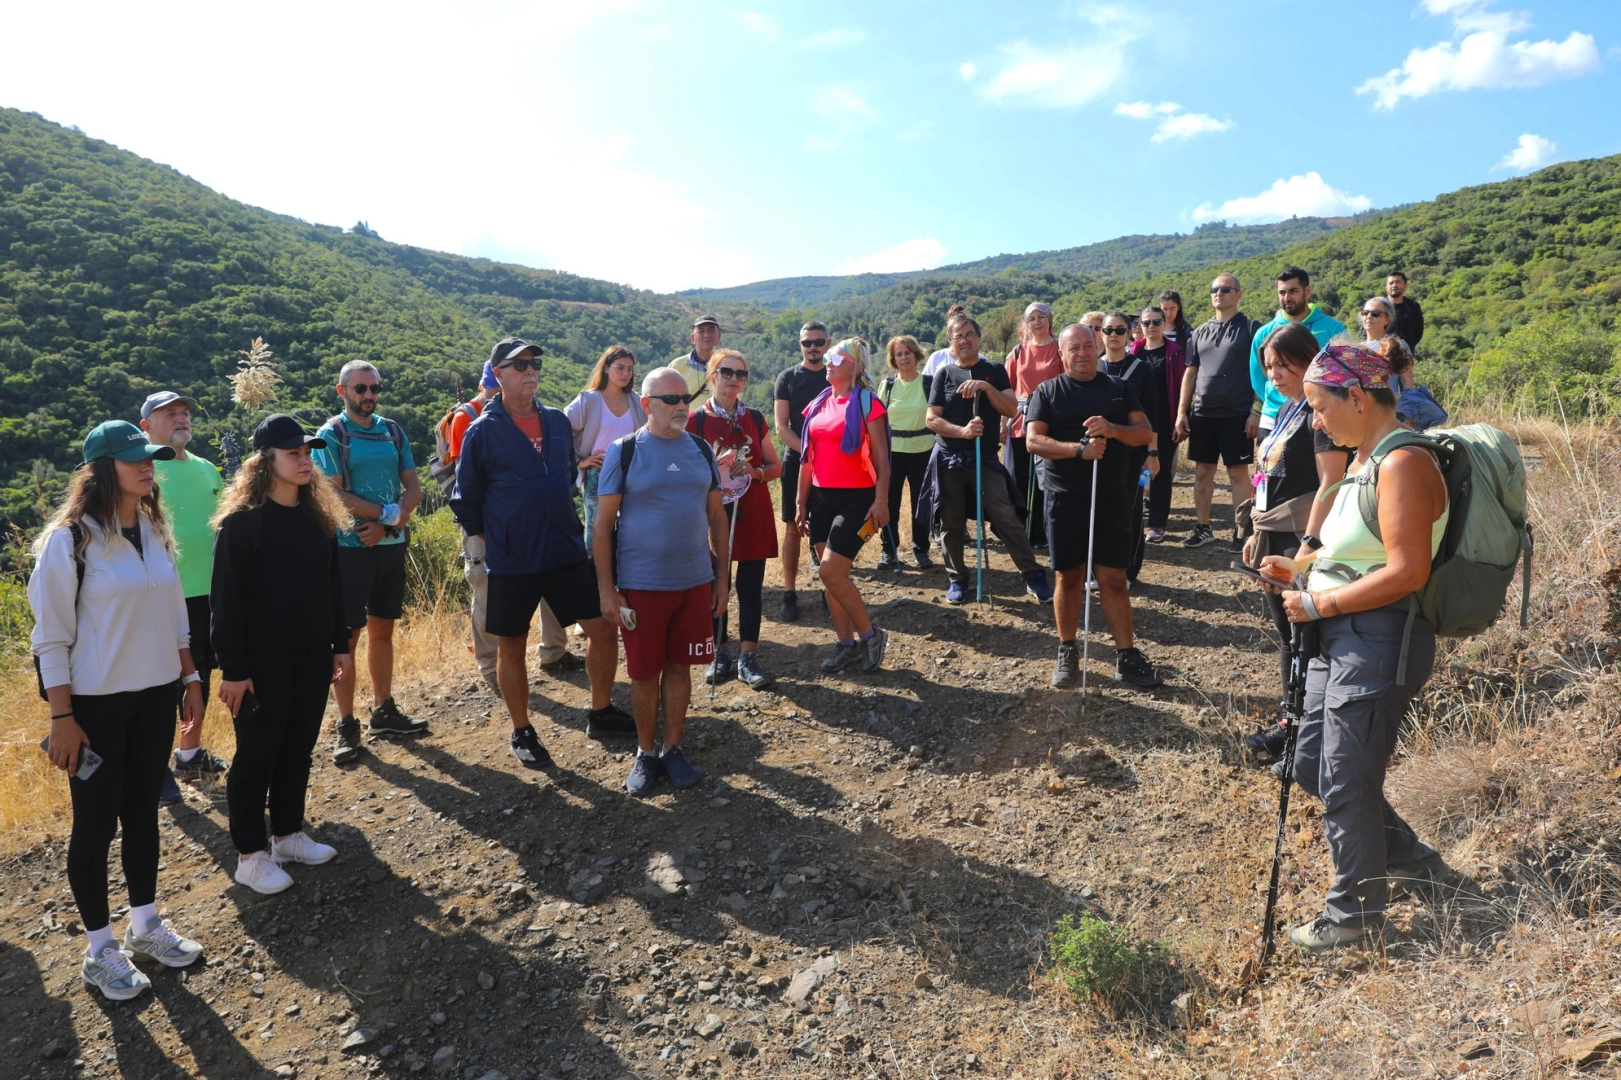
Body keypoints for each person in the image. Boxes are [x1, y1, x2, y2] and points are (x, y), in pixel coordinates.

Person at [1259, 344, 1449, 951]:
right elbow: (1347, 555)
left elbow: (1407, 570)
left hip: (1379, 640)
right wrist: (1298, 569)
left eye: (1318, 406)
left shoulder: (1403, 464)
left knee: (1345, 777)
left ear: (1358, 398)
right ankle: (1409, 858)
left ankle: (1354, 917)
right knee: (1314, 764)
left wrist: (1321, 603)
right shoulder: (1364, 461)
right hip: (1338, 637)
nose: (1313, 419)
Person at [30, 420, 205, 1001]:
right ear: (101, 469)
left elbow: (176, 612)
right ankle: (100, 950)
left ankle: (145, 925)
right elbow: (51, 638)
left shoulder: (154, 529)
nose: (147, 465)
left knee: (143, 814)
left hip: (156, 696)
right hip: (96, 708)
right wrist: (62, 719)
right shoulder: (69, 541)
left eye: (150, 457)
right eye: (134, 458)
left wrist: (190, 677)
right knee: (96, 823)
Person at [453, 338, 634, 766]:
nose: (530, 370)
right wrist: (502, 535)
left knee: (603, 629)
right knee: (512, 645)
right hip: (513, 560)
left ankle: (601, 710)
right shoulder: (482, 431)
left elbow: (567, 472)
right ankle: (522, 730)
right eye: (518, 365)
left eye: (534, 363)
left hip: (564, 550)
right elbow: (466, 499)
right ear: (498, 375)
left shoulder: (555, 422)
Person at [211, 415, 352, 895]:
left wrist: (340, 646)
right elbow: (225, 603)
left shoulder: (318, 518)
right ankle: (250, 857)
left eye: (307, 451)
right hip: (260, 664)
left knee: (298, 748)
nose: (304, 459)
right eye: (293, 453)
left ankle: (289, 835)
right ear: (264, 462)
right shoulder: (241, 525)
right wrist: (233, 671)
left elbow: (333, 588)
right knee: (256, 756)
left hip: (312, 656)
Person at [596, 368, 730, 794]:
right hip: (642, 585)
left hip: (693, 581)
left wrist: (722, 579)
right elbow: (602, 527)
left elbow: (717, 517)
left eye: (684, 398)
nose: (680, 407)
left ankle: (672, 748)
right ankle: (645, 752)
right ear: (647, 404)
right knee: (642, 673)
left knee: (679, 667)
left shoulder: (701, 450)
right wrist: (607, 589)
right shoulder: (626, 451)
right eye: (670, 399)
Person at [1026, 326, 1162, 688]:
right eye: (1075, 348)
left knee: (1114, 579)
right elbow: (1033, 440)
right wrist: (1078, 450)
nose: (1083, 353)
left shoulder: (1118, 388)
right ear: (1062, 352)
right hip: (1065, 497)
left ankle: (1127, 656)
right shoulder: (1048, 391)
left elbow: (1144, 431)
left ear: (1098, 346)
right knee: (1068, 577)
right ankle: (1067, 650)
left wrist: (1113, 430)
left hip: (1112, 495)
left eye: (1089, 346)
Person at [1239, 324, 1349, 762]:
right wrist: (1253, 532)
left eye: (1284, 364)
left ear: (1308, 360)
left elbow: (1331, 482)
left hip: (1300, 537)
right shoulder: (1287, 409)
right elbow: (1266, 477)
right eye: (1269, 367)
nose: (1275, 374)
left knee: (1304, 638)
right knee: (1288, 637)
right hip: (1274, 531)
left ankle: (1303, 733)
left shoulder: (1319, 415)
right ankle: (1292, 722)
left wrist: (1308, 545)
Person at [313, 360, 427, 764]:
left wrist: (393, 521)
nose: (369, 396)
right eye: (360, 389)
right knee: (345, 639)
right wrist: (385, 518)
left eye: (375, 388)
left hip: (389, 545)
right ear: (342, 391)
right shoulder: (332, 435)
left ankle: (384, 709)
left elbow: (412, 484)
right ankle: (346, 724)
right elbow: (334, 495)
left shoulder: (392, 430)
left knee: (383, 630)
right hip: (349, 550)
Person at [139, 391, 229, 806]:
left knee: (202, 677)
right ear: (147, 427)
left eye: (184, 412)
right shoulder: (142, 472)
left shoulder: (207, 468)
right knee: (164, 684)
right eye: (169, 413)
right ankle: (154, 774)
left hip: (214, 592)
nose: (181, 419)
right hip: (165, 598)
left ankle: (188, 754)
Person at [927, 314, 1053, 605]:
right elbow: (931, 419)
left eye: (970, 334)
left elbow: (1010, 409)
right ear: (951, 341)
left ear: (979, 338)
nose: (964, 340)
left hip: (984, 458)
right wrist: (962, 431)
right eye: (958, 336)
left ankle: (1033, 576)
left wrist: (986, 388)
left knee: (1005, 515)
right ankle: (957, 579)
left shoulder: (993, 370)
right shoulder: (944, 374)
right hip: (948, 459)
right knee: (951, 521)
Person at [794, 340, 891, 674]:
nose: (829, 362)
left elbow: (881, 457)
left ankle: (870, 635)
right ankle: (846, 644)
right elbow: (808, 459)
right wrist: (800, 501)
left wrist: (881, 500)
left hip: (857, 499)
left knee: (830, 571)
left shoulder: (868, 403)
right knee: (833, 579)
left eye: (838, 358)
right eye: (829, 357)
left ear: (855, 367)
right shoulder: (817, 405)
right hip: (821, 498)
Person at [688, 349, 781, 690]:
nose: (733, 379)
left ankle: (748, 656)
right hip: (712, 513)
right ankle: (720, 651)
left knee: (751, 586)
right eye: (726, 372)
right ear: (712, 375)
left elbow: (775, 466)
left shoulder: (754, 418)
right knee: (716, 583)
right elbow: (684, 471)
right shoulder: (695, 420)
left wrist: (755, 471)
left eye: (740, 374)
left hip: (751, 509)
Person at [1174, 273, 1260, 552]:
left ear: (1239, 294)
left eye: (1225, 289)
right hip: (1203, 414)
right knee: (1202, 472)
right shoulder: (1198, 333)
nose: (1219, 293)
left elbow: (1263, 371)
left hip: (1238, 413)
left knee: (1237, 474)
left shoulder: (1252, 329)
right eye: (1215, 289)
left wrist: (1256, 410)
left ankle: (1242, 532)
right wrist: (1181, 412)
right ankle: (1203, 527)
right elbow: (1190, 372)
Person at [1098, 313, 1164, 584]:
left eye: (1120, 330)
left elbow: (1153, 415)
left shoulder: (1142, 368)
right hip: (1099, 454)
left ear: (1129, 334)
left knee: (1132, 512)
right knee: (1100, 512)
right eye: (1108, 329)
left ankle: (1128, 571)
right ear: (1100, 334)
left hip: (1135, 454)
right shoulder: (1093, 367)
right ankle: (1099, 569)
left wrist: (1153, 454)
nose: (1113, 334)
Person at [773, 321, 831, 622]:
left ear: (828, 343)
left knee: (825, 527)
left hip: (832, 463)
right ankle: (790, 592)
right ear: (800, 345)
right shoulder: (787, 378)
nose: (813, 347)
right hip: (797, 460)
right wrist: (809, 451)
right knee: (794, 528)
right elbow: (781, 426)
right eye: (807, 342)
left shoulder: (835, 375)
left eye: (819, 342)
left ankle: (830, 589)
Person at [1250, 266, 1346, 440]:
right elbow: (1258, 377)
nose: (1287, 297)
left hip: (1319, 416)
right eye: (1282, 292)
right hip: (1272, 417)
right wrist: (1276, 400)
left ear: (1307, 291)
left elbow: (1344, 373)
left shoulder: (1334, 329)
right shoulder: (1264, 333)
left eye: (1293, 291)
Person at [566, 345, 647, 543]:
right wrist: (579, 462)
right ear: (606, 368)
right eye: (620, 367)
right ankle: (594, 573)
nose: (626, 373)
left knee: (631, 530)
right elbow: (560, 429)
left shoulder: (637, 401)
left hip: (631, 474)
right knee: (596, 532)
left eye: (630, 369)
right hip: (598, 473)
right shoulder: (589, 400)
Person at [1003, 303, 1064, 550]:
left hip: (1051, 422)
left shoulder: (1060, 348)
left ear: (1050, 320)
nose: (1037, 322)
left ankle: (1046, 532)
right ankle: (1023, 534)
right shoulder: (1018, 352)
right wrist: (1002, 424)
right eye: (1032, 319)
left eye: (1041, 317)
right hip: (1019, 423)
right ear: (1026, 324)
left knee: (1047, 480)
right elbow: (1007, 390)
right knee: (1020, 480)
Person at [1128, 308, 1185, 546]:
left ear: (1164, 323)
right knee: (1138, 473)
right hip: (1136, 424)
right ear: (1139, 325)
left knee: (1160, 475)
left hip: (1164, 422)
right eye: (1146, 322)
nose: (1151, 326)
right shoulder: (1133, 351)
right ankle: (1135, 519)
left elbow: (1183, 386)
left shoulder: (1175, 352)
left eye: (1156, 322)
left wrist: (1181, 418)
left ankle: (1157, 524)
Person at [878, 335, 935, 569]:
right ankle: (888, 551)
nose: (904, 358)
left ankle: (921, 550)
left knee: (920, 503)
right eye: (899, 354)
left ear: (916, 355)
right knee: (889, 502)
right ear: (894, 359)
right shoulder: (888, 385)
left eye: (907, 353)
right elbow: (878, 419)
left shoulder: (929, 383)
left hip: (924, 450)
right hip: (893, 453)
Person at [671, 314, 722, 397]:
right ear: (692, 337)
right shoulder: (677, 366)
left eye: (711, 330)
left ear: (719, 336)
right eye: (701, 331)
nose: (706, 335)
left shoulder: (728, 366)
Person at [1385, 271, 1424, 352]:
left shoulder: (1413, 306)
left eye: (1398, 282)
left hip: (1406, 354)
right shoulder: (1379, 306)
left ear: (1405, 286)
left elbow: (1418, 332)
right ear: (1386, 288)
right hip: (1381, 354)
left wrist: (1407, 347)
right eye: (1391, 283)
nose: (1394, 285)